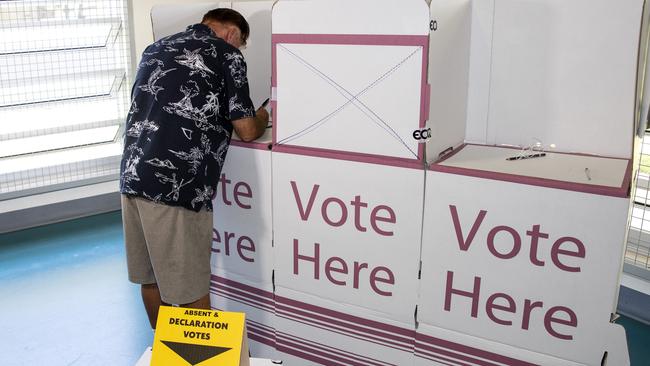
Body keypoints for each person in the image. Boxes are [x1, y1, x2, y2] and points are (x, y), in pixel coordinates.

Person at [119, 8, 268, 330]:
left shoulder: (156, 48)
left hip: (133, 174)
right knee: (190, 289)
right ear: (231, 33)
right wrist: (265, 115)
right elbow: (247, 129)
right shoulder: (225, 53)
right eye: (241, 43)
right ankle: (199, 360)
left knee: (151, 277)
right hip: (177, 185)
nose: (239, 48)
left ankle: (166, 352)